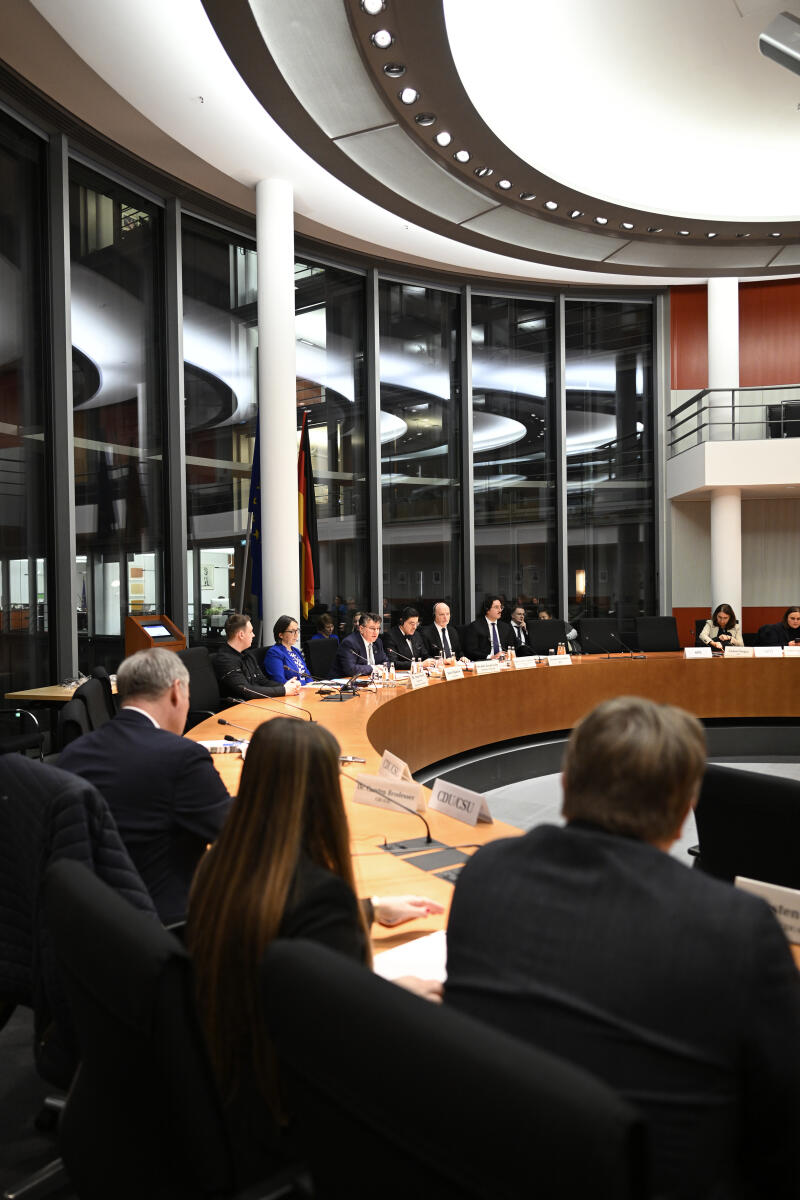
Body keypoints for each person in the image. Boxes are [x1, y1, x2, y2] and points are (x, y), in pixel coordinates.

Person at [445, 696, 800, 1199]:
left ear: (566, 786)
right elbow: (782, 1132)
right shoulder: (735, 928)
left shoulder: (486, 871)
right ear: (684, 812)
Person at [187, 719, 441, 1165]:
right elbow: (345, 1034)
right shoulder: (322, 896)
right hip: (294, 1114)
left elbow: (274, 922)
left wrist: (371, 907)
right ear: (323, 795)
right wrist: (395, 991)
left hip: (227, 1085)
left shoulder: (220, 862)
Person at [57, 648, 231, 923]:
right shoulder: (182, 757)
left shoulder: (73, 753)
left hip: (88, 923)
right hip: (167, 927)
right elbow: (236, 834)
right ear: (176, 691)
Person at [214, 613, 301, 699]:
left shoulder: (247, 654)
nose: (253, 635)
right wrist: (284, 690)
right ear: (241, 634)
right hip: (238, 708)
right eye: (251, 631)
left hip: (254, 703)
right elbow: (247, 690)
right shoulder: (225, 659)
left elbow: (261, 680)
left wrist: (286, 686)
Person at [332, 611, 389, 676]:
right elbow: (350, 669)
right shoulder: (350, 643)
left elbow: (387, 663)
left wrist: (382, 667)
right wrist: (373, 668)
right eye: (372, 628)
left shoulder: (378, 642)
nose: (376, 632)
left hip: (368, 681)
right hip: (342, 682)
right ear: (361, 629)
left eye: (378, 629)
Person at [263, 614, 314, 684]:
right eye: (292, 631)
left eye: (297, 630)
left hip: (306, 689)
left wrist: (310, 684)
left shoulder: (296, 651)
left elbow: (307, 675)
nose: (296, 634)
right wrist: (304, 683)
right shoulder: (274, 653)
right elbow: (280, 681)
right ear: (281, 635)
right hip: (291, 693)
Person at [461, 595, 514, 661]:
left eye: (501, 607)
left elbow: (511, 647)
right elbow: (471, 651)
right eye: (496, 607)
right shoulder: (475, 627)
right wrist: (491, 657)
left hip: (504, 661)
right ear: (487, 609)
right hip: (485, 663)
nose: (500, 610)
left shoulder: (506, 627)